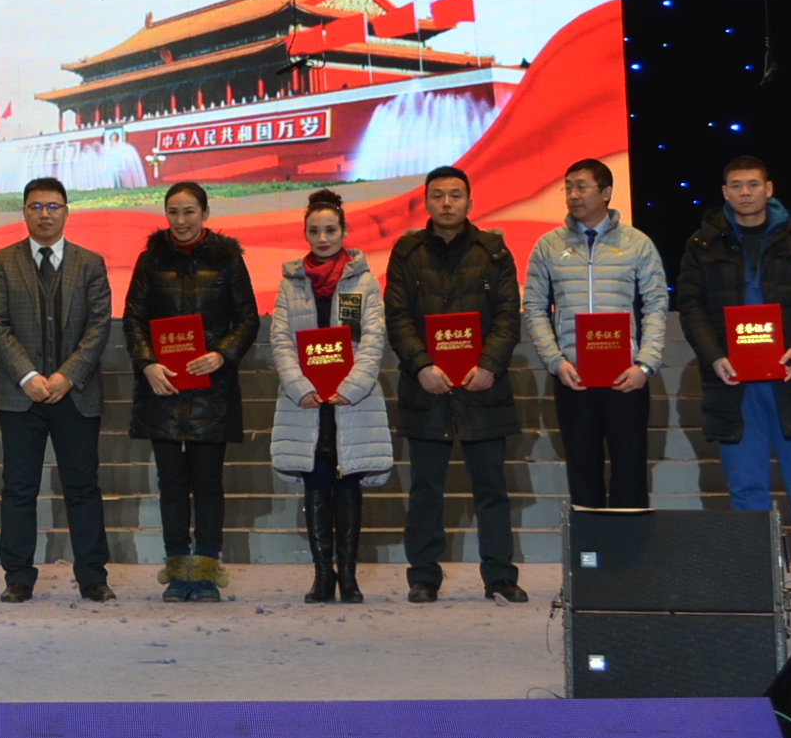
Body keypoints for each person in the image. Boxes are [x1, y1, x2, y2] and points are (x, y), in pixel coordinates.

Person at [673, 154, 791, 600]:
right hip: (733, 383)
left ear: (769, 189)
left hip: (790, 379)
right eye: (736, 185)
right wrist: (713, 356)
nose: (744, 192)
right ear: (724, 192)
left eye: (752, 184)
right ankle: (759, 575)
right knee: (746, 486)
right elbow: (690, 306)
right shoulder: (701, 243)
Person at [385, 164, 526, 604]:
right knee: (426, 489)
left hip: (483, 386)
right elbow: (398, 317)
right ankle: (423, 576)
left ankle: (500, 576)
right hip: (426, 388)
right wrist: (422, 366)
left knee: (492, 488)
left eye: (455, 195)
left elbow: (508, 315)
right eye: (438, 195)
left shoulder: (493, 251)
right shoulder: (406, 253)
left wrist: (489, 366)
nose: (447, 203)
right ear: (426, 202)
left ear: (469, 201)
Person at [124, 181, 259, 603]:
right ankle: (178, 571)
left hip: (211, 390)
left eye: (189, 212)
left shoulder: (228, 259)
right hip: (162, 387)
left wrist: (222, 354)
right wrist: (147, 363)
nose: (181, 221)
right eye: (173, 212)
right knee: (170, 483)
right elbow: (133, 320)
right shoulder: (150, 259)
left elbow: (248, 319)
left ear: (205, 213)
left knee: (207, 482)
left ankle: (205, 571)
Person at [0, 176, 114, 603]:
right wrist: (28, 377)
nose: (45, 214)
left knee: (83, 487)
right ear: (24, 212)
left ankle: (93, 576)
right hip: (21, 395)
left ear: (66, 211)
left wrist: (66, 376)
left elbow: (99, 326)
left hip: (76, 393)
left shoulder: (90, 262)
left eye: (53, 206)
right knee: (19, 489)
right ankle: (18, 577)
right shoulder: (3, 261)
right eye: (36, 206)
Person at [523, 158, 669, 510]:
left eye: (581, 187)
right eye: (568, 187)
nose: (573, 195)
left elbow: (655, 304)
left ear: (606, 193)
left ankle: (628, 545)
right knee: (582, 472)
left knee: (630, 471)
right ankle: (587, 545)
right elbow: (535, 307)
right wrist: (556, 362)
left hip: (626, 376)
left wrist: (645, 364)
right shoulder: (548, 245)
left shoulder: (636, 243)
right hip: (573, 376)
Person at [267, 191, 389, 605]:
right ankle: (323, 575)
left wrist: (351, 388)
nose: (323, 238)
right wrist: (300, 386)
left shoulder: (364, 281)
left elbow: (373, 340)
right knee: (317, 483)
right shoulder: (290, 282)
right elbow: (280, 340)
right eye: (314, 231)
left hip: (351, 402)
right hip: (306, 404)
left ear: (344, 232)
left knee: (348, 483)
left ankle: (348, 576)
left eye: (330, 230)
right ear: (304, 233)